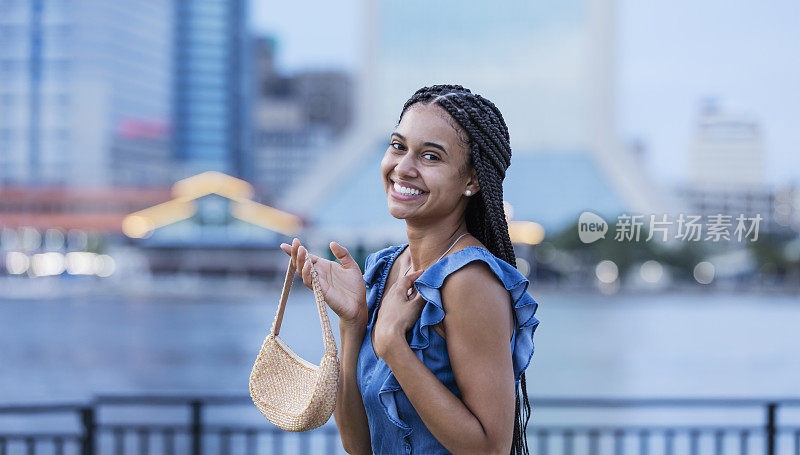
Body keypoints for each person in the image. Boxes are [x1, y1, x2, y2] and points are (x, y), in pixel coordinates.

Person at [280, 84, 540, 454]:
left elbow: (491, 449)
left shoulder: (468, 280)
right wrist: (353, 324)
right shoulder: (386, 267)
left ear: (472, 180)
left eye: (430, 157)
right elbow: (359, 446)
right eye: (398, 146)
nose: (403, 167)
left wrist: (392, 345)